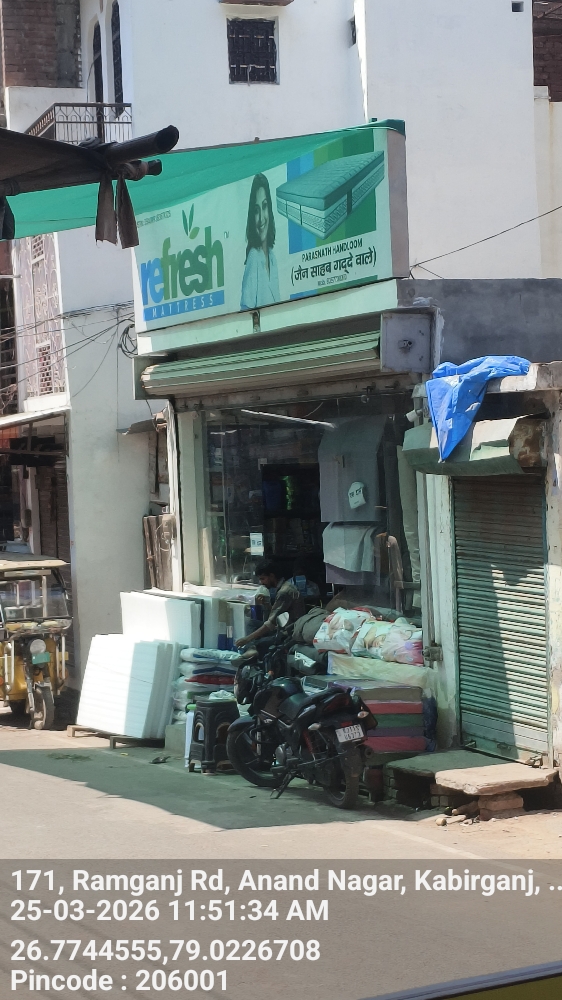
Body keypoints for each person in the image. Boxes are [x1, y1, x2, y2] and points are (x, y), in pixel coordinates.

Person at [235, 560, 306, 649]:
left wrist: (246, 639)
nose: (261, 583)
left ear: (272, 576)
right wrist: (266, 604)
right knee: (252, 623)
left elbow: (271, 623)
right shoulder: (284, 587)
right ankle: (252, 648)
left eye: (263, 579)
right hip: (282, 627)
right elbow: (276, 615)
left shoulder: (284, 592)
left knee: (256, 643)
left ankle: (252, 649)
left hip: (289, 633)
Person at [240, 173, 280, 310]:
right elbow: (246, 309)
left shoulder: (272, 258)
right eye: (256, 211)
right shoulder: (254, 257)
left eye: (264, 206)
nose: (261, 218)